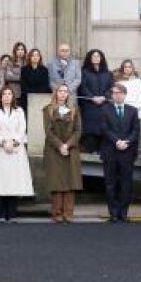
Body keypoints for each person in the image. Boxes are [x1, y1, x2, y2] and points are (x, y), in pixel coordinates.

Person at [0, 85, 32, 223]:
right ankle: (1, 214)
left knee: (14, 181)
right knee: (0, 181)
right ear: (0, 97)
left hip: (16, 149)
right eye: (5, 94)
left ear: (13, 97)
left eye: (10, 94)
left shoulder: (19, 111)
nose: (7, 96)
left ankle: (13, 213)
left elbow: (22, 129)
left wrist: (14, 142)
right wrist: (3, 142)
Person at [41, 83, 83, 222]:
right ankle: (57, 213)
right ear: (56, 93)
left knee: (71, 181)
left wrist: (68, 145)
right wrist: (60, 146)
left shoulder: (75, 110)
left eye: (66, 91)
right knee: (56, 181)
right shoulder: (48, 110)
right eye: (61, 91)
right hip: (54, 149)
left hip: (71, 149)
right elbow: (48, 131)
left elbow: (78, 130)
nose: (63, 94)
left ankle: (68, 213)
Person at [100, 83, 141, 222]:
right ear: (112, 95)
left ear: (124, 94)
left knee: (126, 184)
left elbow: (135, 130)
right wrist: (117, 141)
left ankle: (123, 212)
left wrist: (127, 142)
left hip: (127, 152)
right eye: (115, 93)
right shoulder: (105, 110)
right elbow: (105, 129)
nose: (117, 95)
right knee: (111, 183)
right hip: (110, 151)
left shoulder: (132, 110)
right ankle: (113, 213)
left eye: (120, 93)